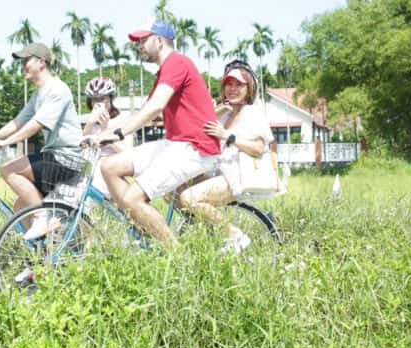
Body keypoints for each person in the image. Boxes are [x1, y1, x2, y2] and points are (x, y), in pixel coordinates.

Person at [92, 20, 220, 246]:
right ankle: (141, 224)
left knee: (132, 197)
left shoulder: (177, 62)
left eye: (143, 41)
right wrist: (100, 134)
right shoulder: (164, 72)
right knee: (109, 166)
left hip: (194, 147)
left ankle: (179, 260)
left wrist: (118, 133)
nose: (139, 46)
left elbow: (156, 106)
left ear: (159, 41)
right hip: (175, 144)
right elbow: (147, 111)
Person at [0, 42, 83, 241]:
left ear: (41, 62)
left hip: (66, 157)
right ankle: (42, 258)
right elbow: (18, 121)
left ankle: (42, 216)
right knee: (20, 208)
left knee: (9, 170)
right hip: (54, 156)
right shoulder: (38, 93)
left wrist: (6, 143)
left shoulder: (58, 89)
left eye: (26, 61)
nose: (23, 65)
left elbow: (35, 124)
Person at [177, 59, 276, 253]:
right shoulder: (224, 114)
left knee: (188, 197)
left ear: (249, 88)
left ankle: (234, 235)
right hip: (217, 173)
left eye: (239, 84)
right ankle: (203, 228)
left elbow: (258, 148)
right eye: (229, 84)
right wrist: (213, 112)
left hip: (237, 177)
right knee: (171, 188)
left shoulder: (252, 113)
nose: (233, 88)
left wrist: (227, 136)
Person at [81, 76, 130, 194]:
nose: (98, 103)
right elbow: (81, 145)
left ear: (111, 99)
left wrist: (105, 130)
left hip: (112, 166)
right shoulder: (91, 121)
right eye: (94, 100)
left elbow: (126, 151)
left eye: (103, 99)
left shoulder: (122, 120)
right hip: (92, 167)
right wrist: (90, 123)